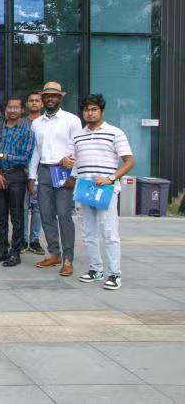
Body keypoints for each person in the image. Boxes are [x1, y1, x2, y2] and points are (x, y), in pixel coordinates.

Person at [69, 94, 134, 291]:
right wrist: (69, 171)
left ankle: (114, 274)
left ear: (102, 111)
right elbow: (75, 161)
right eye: (86, 110)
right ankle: (95, 269)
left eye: (94, 109)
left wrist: (111, 178)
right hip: (84, 188)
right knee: (88, 233)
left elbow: (129, 161)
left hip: (106, 189)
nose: (89, 113)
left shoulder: (115, 133)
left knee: (109, 232)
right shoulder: (78, 135)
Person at [28, 81, 83, 277]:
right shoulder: (36, 123)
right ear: (43, 98)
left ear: (60, 98)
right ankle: (54, 254)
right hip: (43, 170)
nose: (50, 98)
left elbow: (79, 148)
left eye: (54, 95)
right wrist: (31, 176)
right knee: (46, 214)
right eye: (47, 96)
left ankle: (68, 259)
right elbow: (36, 151)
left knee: (64, 215)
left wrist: (74, 174)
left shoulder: (72, 120)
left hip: (63, 172)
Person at [0, 96, 34, 267]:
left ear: (22, 110)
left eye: (16, 107)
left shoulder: (27, 131)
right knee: (0, 216)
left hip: (16, 177)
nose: (12, 110)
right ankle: (2, 250)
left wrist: (2, 155)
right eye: (9, 107)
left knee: (17, 216)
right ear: (5, 110)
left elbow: (25, 158)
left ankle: (15, 253)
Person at [23, 91, 45, 255]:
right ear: (27, 104)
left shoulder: (47, 122)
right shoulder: (21, 123)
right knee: (22, 207)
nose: (34, 103)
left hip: (42, 171)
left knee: (38, 208)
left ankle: (35, 240)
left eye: (37, 100)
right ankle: (23, 240)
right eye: (31, 100)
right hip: (22, 170)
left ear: (42, 103)